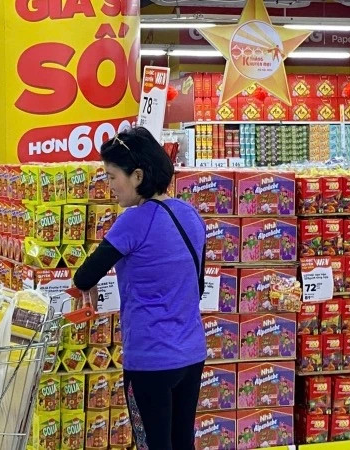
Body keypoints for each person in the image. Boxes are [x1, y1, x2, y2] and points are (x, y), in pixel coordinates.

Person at [72, 127, 207, 450]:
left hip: (150, 358)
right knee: (182, 442)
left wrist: (88, 286)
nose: (109, 185)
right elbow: (197, 283)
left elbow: (85, 275)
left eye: (112, 176)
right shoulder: (190, 215)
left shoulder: (134, 221)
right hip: (191, 353)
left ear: (137, 176)